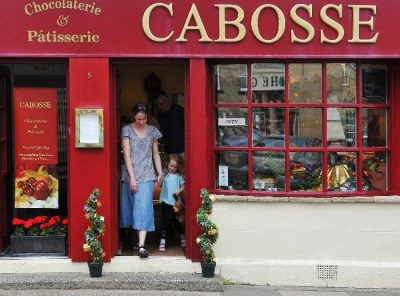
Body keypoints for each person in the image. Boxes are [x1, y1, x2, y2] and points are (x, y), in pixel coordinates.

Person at [120, 103, 162, 259]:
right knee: (132, 209)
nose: (141, 122)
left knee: (143, 208)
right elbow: (126, 155)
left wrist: (160, 172)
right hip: (130, 175)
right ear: (134, 117)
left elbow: (156, 154)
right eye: (139, 119)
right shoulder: (126, 130)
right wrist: (132, 178)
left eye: (144, 119)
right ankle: (135, 240)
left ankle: (142, 245)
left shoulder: (152, 131)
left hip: (147, 174)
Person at [158, 154, 185, 252]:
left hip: (174, 202)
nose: (172, 168)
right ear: (167, 164)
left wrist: (178, 191)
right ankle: (162, 241)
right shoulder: (165, 174)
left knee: (176, 220)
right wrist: (159, 179)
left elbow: (183, 186)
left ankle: (182, 236)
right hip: (165, 201)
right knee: (165, 221)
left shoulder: (179, 176)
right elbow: (160, 184)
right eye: (171, 166)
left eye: (175, 167)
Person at [156, 91, 185, 157]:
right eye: (158, 105)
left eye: (161, 104)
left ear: (167, 101)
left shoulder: (179, 111)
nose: (160, 107)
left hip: (181, 150)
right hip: (168, 151)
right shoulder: (160, 115)